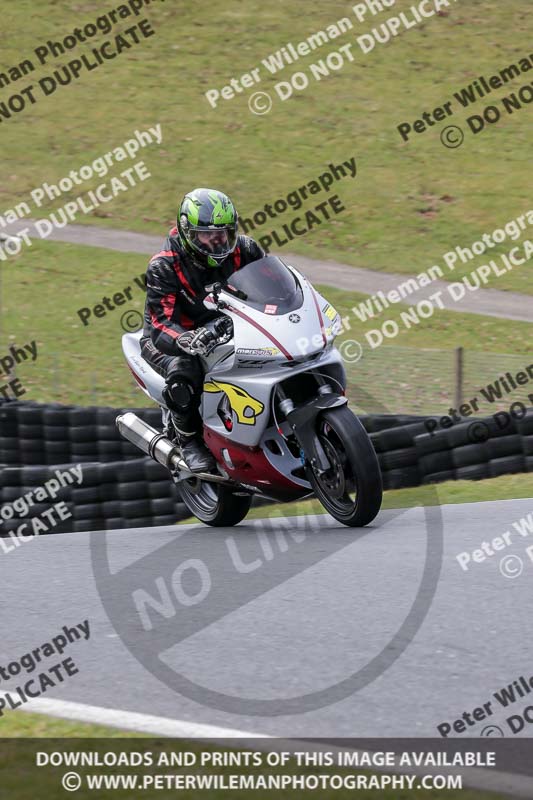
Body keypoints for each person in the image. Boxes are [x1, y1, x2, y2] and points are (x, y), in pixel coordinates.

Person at [140, 188, 264, 472]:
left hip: (227, 326)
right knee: (185, 370)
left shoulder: (246, 249)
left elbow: (271, 285)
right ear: (188, 233)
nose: (219, 241)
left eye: (225, 233)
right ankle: (188, 440)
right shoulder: (165, 265)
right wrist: (187, 340)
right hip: (170, 339)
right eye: (209, 235)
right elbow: (160, 325)